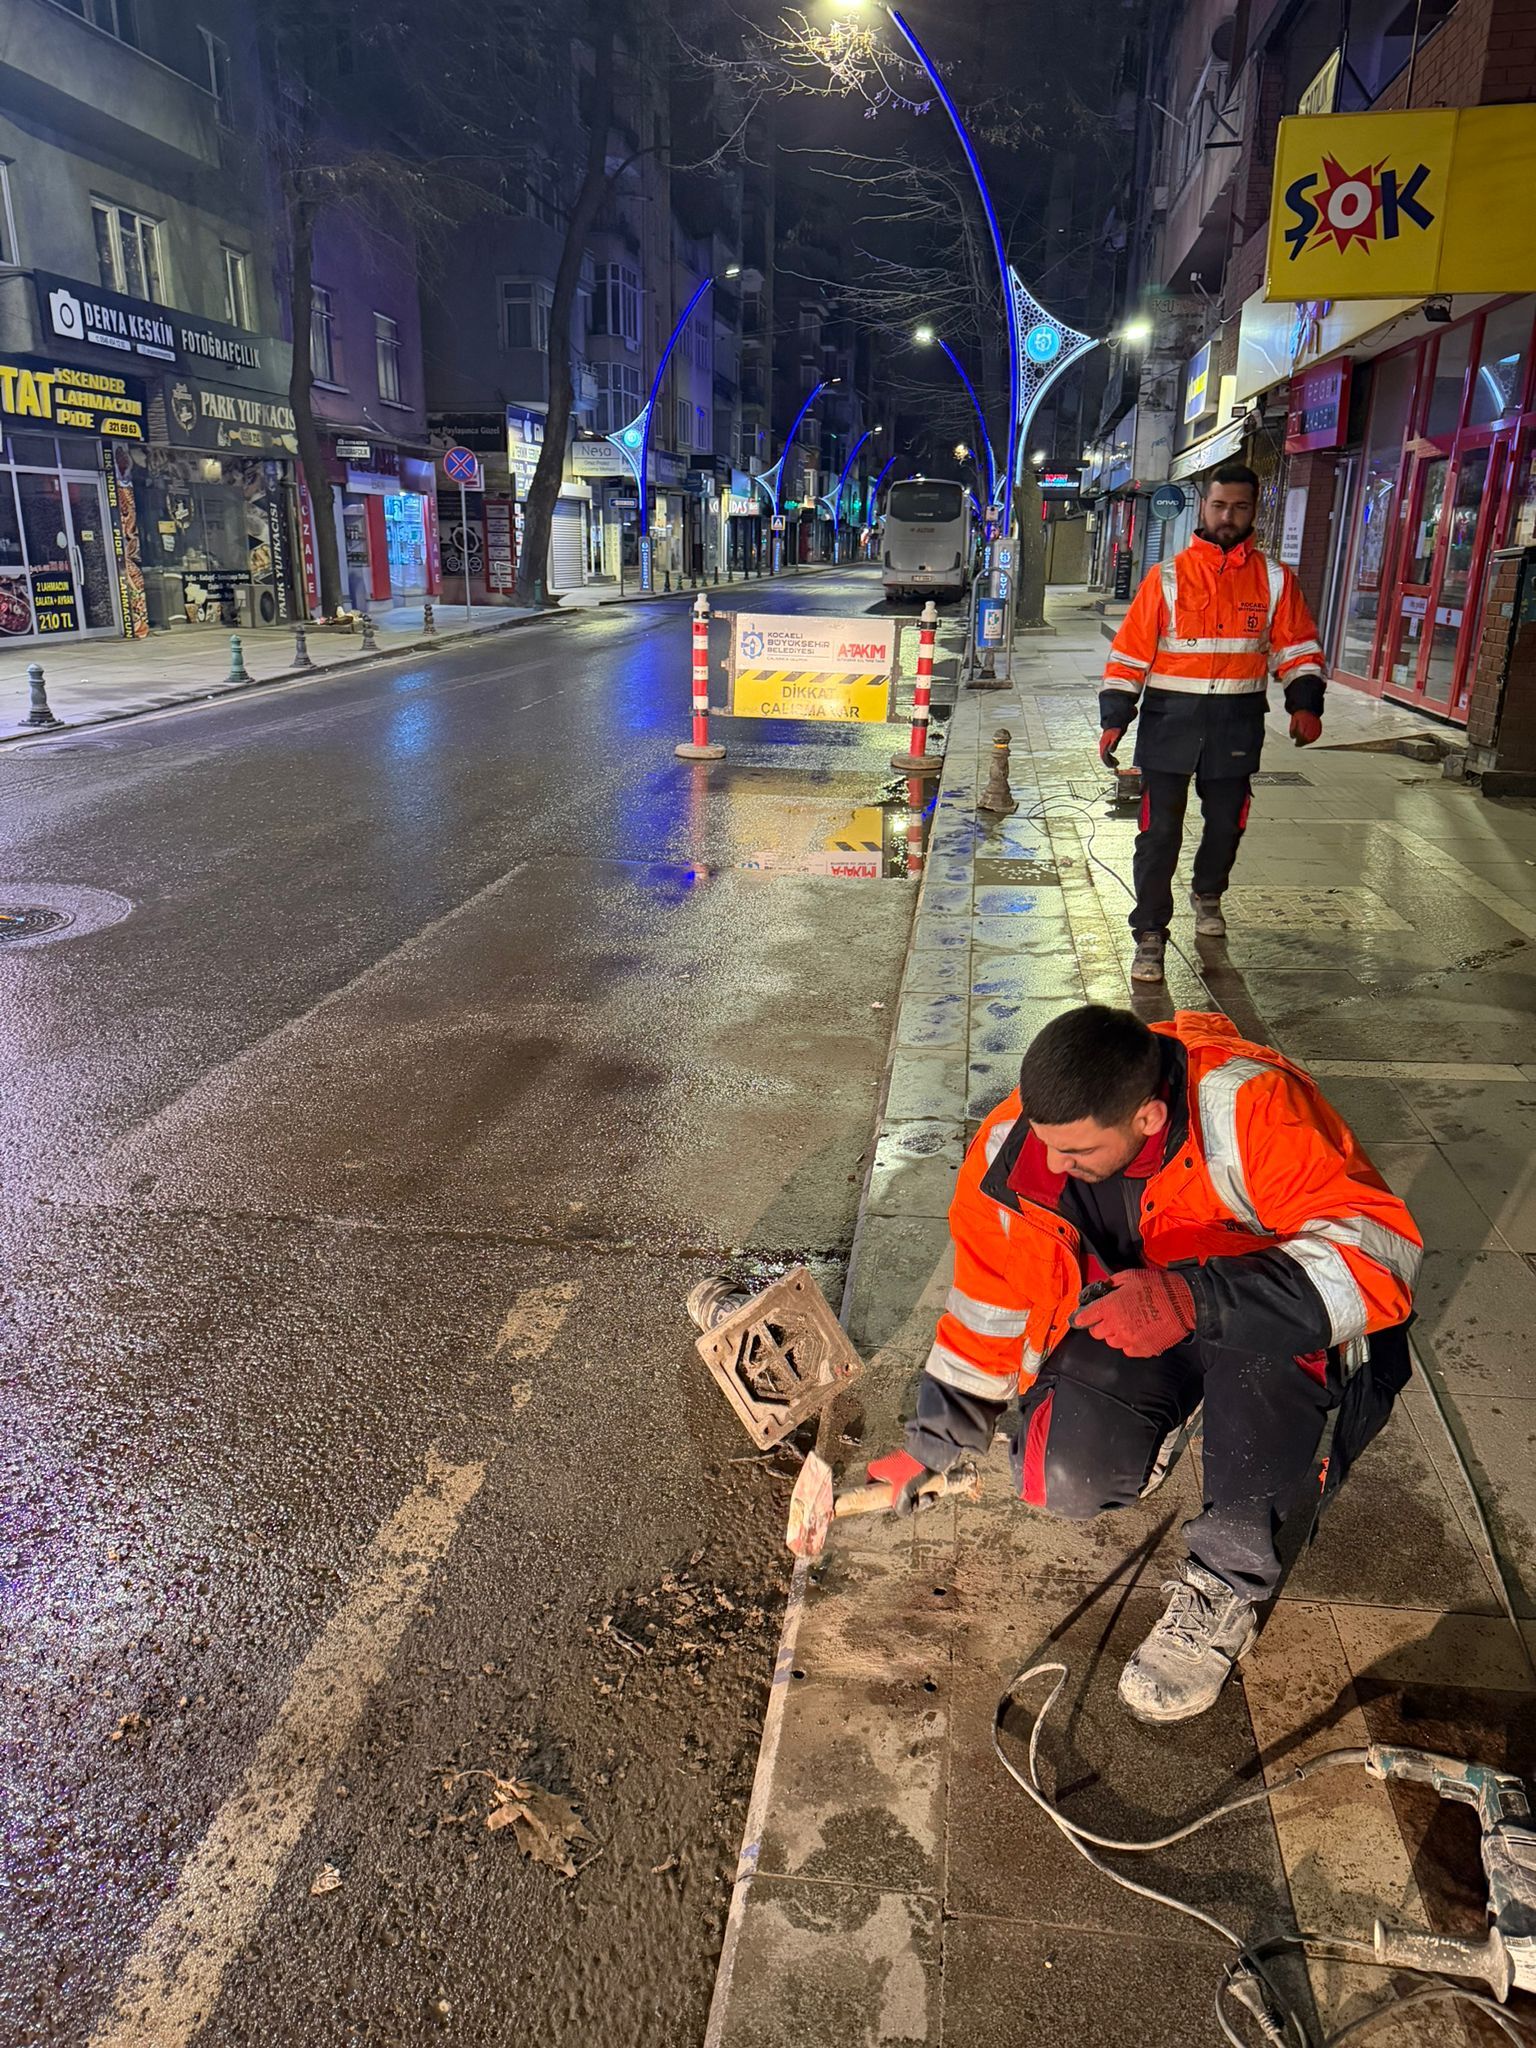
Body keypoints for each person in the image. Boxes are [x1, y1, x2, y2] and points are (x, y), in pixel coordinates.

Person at [869, 1005, 1421, 1724]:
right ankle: (1174, 1405)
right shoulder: (1017, 1147)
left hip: (1265, 1321)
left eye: (1076, 1155)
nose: (1054, 1166)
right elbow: (988, 1305)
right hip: (1141, 1312)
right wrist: (933, 1442)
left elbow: (1381, 1258)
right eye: (1047, 1146)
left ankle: (1228, 1578)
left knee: (1259, 1364)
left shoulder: (1251, 1107)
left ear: (1150, 1120)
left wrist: (1194, 1301)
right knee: (1058, 1476)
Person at [1100, 464, 1327, 985]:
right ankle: (1150, 933)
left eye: (1240, 507)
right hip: (1168, 725)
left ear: (1254, 511)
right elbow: (1129, 657)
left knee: (1226, 826)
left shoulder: (1274, 579)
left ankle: (1208, 893)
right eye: (1220, 505)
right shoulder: (1168, 578)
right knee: (1159, 834)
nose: (1228, 516)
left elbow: (1297, 649)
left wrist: (1305, 702)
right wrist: (1115, 719)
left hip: (1235, 724)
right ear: (1203, 506)